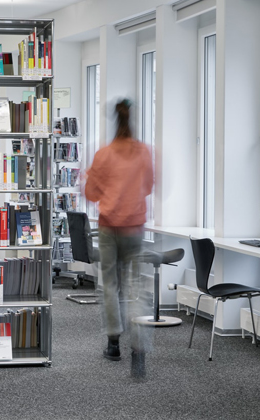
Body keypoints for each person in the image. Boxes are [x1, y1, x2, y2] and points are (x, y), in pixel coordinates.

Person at [83, 99, 155, 380]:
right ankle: (139, 346)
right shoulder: (144, 153)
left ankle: (113, 343)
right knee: (136, 286)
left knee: (111, 285)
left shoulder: (104, 154)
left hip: (109, 227)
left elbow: (91, 194)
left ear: (114, 119)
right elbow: (148, 186)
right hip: (135, 227)